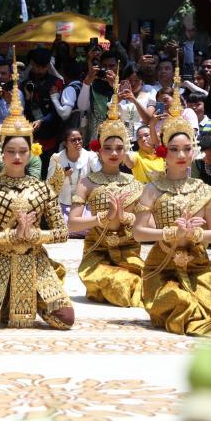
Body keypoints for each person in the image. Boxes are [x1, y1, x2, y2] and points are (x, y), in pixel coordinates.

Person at [0, 66, 74, 330]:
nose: (16, 157)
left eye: (22, 152)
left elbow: (62, 233)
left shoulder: (43, 188)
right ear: (1, 153)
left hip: (35, 258)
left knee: (65, 319)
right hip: (0, 258)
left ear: (31, 152)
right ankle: (0, 300)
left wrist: (35, 235)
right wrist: (9, 236)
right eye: (11, 151)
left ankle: (31, 300)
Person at [132, 96, 211, 336]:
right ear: (164, 152)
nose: (181, 154)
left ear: (194, 151)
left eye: (187, 148)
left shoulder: (204, 190)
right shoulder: (152, 189)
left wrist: (195, 234)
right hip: (162, 265)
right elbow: (138, 232)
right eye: (174, 149)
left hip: (197, 264)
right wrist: (172, 232)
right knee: (181, 302)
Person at [66, 80, 145, 308]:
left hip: (128, 252)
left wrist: (124, 217)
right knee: (122, 286)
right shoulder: (87, 182)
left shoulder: (134, 183)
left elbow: (144, 226)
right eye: (108, 148)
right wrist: (103, 218)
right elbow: (72, 224)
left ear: (125, 151)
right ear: (99, 151)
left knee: (145, 282)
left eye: (119, 148)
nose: (113, 153)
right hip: (98, 253)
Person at [46, 128, 101, 221]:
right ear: (66, 143)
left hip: (84, 204)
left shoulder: (90, 156)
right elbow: (49, 183)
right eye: (73, 140)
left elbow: (101, 176)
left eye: (79, 139)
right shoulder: (56, 158)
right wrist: (62, 175)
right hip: (62, 203)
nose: (77, 142)